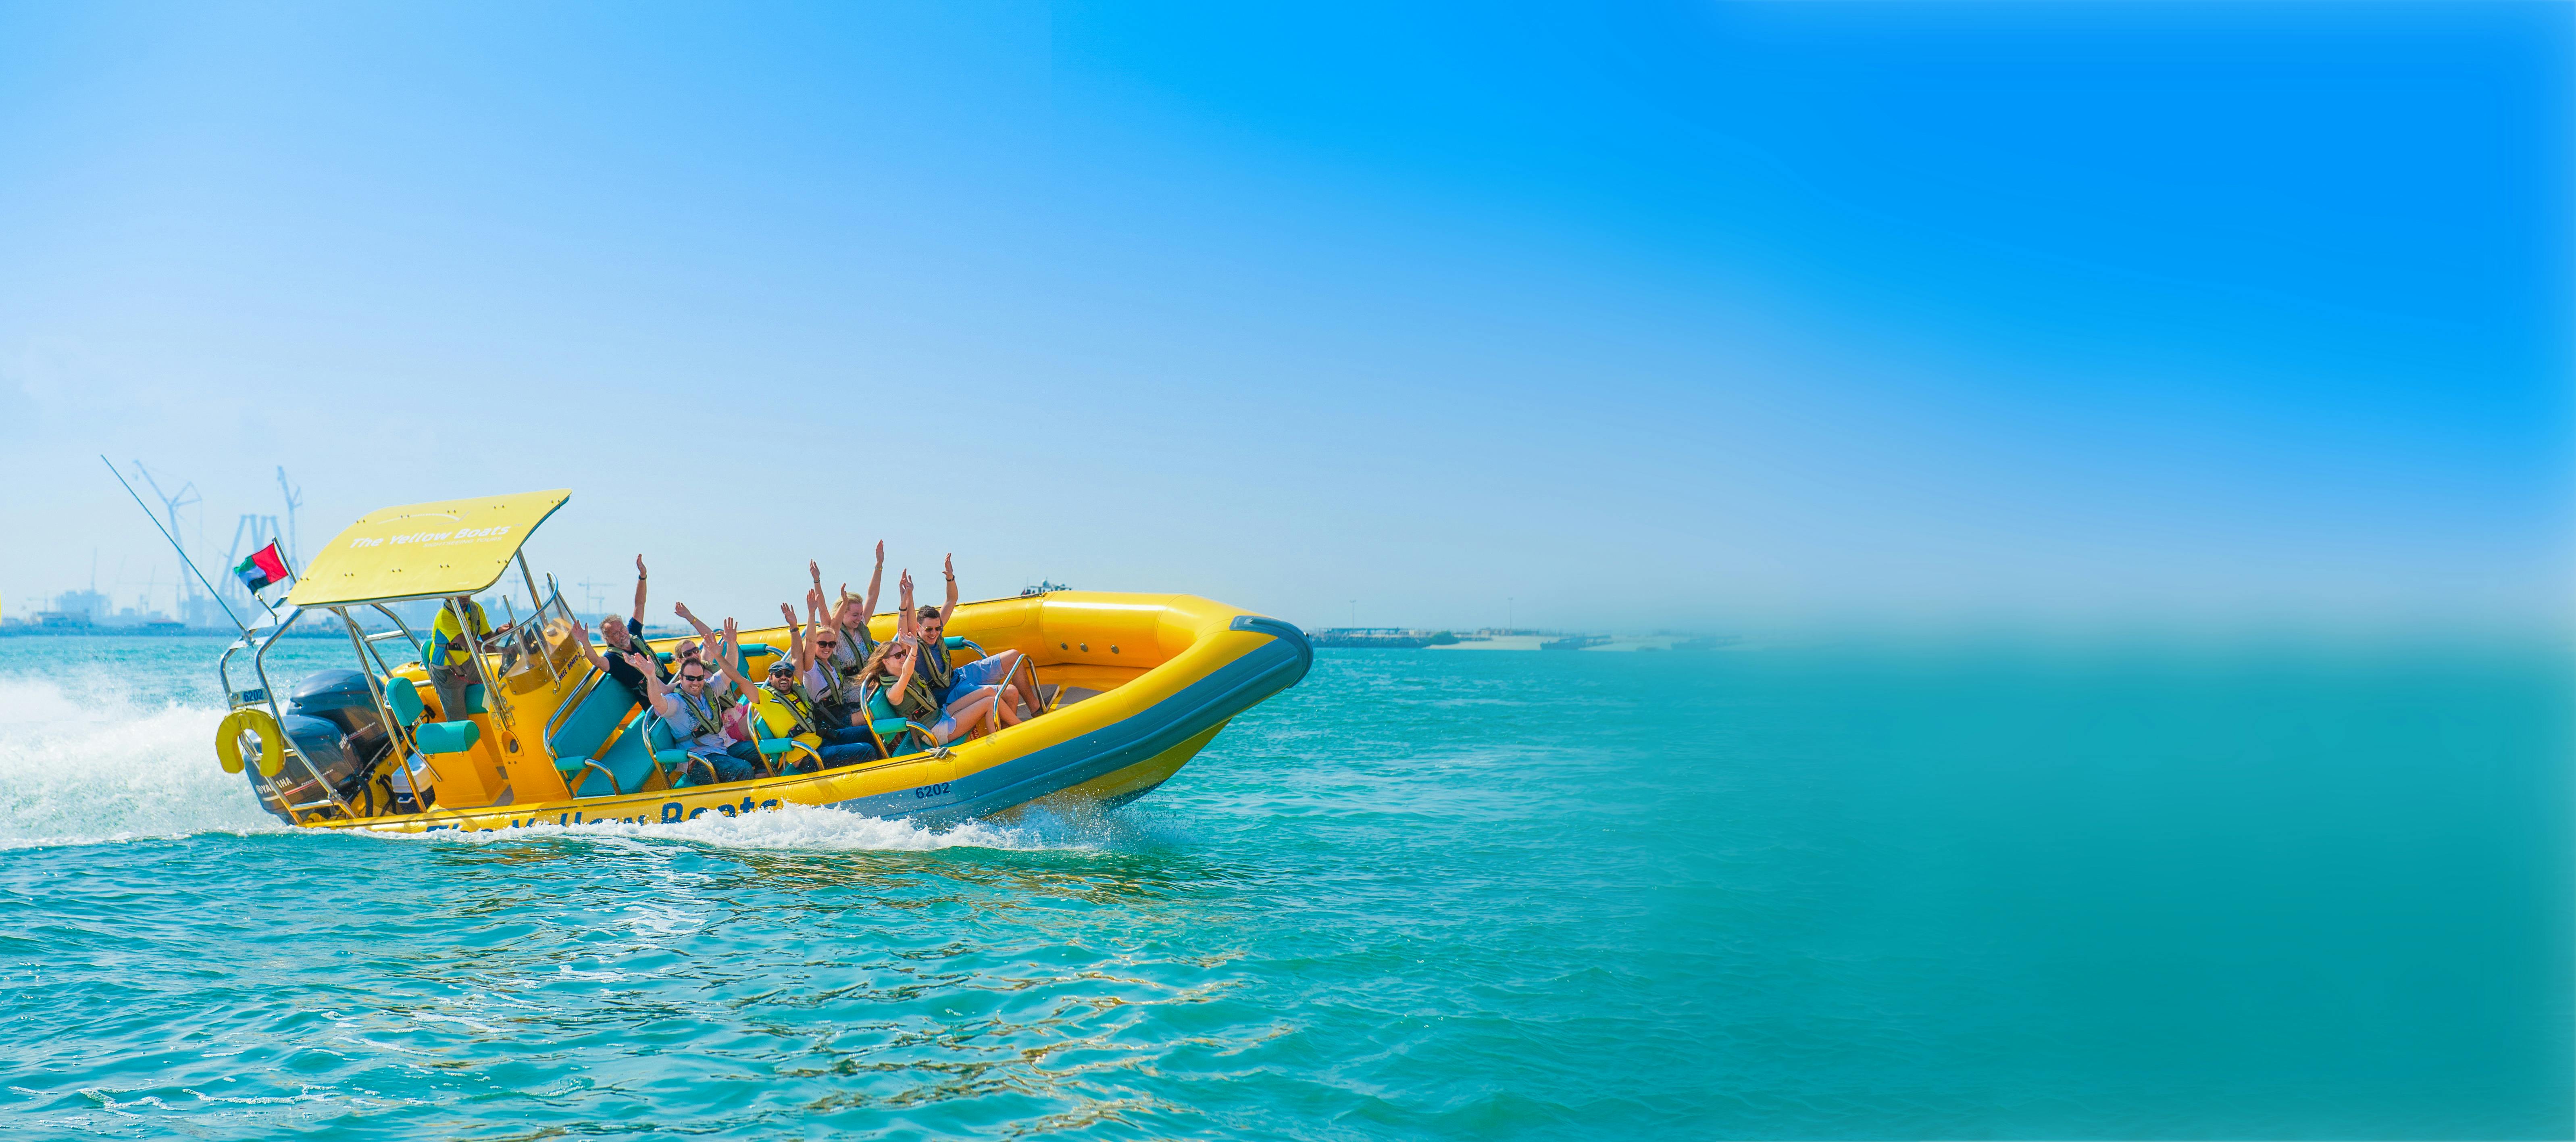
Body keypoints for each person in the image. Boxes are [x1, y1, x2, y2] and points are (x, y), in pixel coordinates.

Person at [869, 579, 1010, 745]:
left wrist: (907, 598)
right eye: (898, 656)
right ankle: (1000, 744)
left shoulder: (905, 671)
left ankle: (1012, 734)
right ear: (885, 662)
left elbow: (909, 632)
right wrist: (913, 649)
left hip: (940, 714)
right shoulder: (895, 689)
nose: (903, 657)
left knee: (990, 692)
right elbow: (907, 665)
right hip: (935, 730)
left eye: (903, 655)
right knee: (989, 703)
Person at [628, 613, 762, 786]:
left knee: (764, 752)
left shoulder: (710, 688)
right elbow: (657, 701)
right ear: (681, 679)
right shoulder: (676, 702)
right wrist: (651, 676)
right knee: (742, 769)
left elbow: (730, 669)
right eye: (690, 679)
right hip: (700, 760)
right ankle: (745, 805)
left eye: (699, 678)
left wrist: (731, 644)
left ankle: (762, 798)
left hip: (725, 748)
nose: (695, 683)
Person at [912, 553, 1042, 721]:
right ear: (918, 628)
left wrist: (950, 578)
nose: (934, 633)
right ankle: (1009, 735)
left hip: (961, 676)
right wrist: (907, 596)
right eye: (929, 629)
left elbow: (952, 599)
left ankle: (1037, 710)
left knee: (1013, 657)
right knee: (1010, 693)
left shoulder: (936, 632)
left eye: (938, 629)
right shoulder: (914, 646)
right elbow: (905, 625)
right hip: (950, 694)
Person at [805, 546, 886, 726]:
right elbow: (822, 607)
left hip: (871, 681)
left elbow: (873, 595)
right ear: (844, 613)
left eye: (861, 614)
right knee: (885, 700)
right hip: (851, 689)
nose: (860, 618)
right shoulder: (833, 633)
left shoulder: (861, 627)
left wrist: (879, 565)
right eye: (855, 615)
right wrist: (817, 580)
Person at [571, 554, 666, 705]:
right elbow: (596, 661)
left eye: (622, 629)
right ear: (608, 640)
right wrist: (585, 641)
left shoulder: (634, 633)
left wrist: (643, 577)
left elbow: (639, 604)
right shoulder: (613, 660)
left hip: (671, 683)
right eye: (616, 633)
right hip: (657, 703)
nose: (622, 634)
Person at [425, 594, 515, 720]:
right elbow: (471, 645)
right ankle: (462, 735)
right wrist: (504, 651)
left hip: (469, 663)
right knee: (458, 718)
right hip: (447, 672)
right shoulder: (444, 617)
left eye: (467, 593)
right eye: (459, 594)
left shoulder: (476, 610)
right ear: (449, 597)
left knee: (493, 693)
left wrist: (500, 631)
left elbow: (488, 639)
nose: (464, 597)